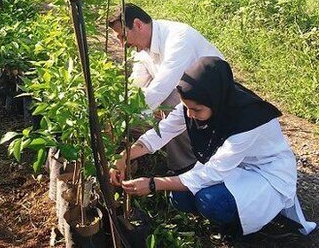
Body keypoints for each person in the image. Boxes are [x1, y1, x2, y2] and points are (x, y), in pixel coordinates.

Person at [110, 57, 316, 237]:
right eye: (187, 108)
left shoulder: (248, 118)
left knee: (211, 202)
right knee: (180, 196)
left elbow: (213, 172)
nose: (190, 115)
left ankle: (242, 225)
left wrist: (154, 184)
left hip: (264, 172)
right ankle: (232, 214)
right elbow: (162, 131)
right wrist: (124, 156)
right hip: (231, 165)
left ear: (215, 100)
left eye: (196, 110)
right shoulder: (200, 101)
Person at [108, 3, 223, 172]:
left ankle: (187, 166)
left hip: (214, 103)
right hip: (188, 101)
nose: (121, 44)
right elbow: (136, 85)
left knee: (170, 100)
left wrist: (124, 117)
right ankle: (147, 154)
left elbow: (162, 87)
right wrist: (114, 114)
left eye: (122, 36)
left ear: (138, 25)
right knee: (142, 111)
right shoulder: (143, 49)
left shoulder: (179, 39)